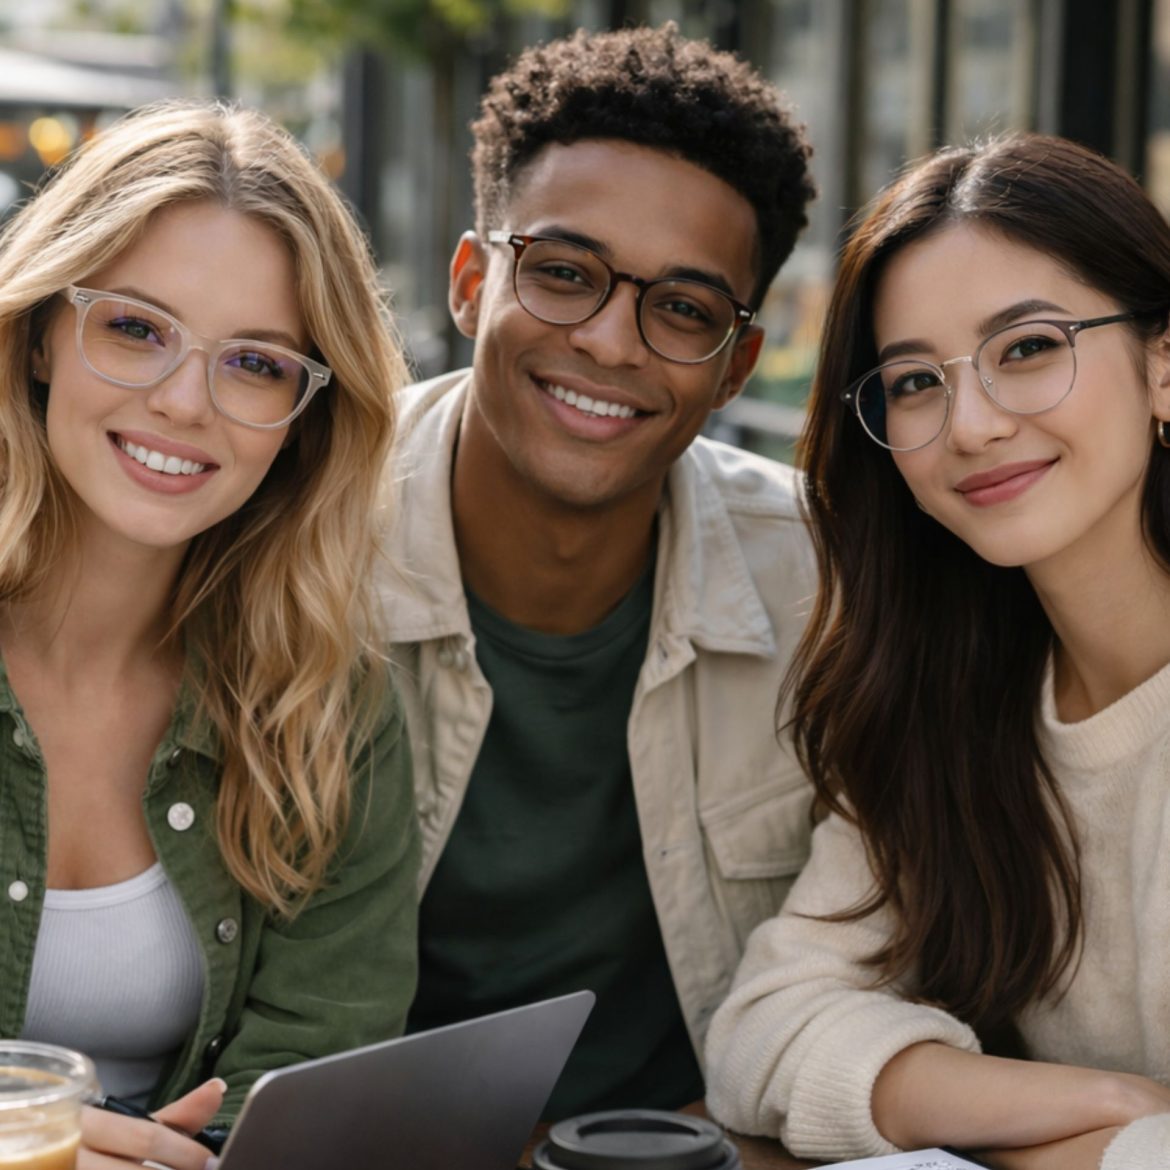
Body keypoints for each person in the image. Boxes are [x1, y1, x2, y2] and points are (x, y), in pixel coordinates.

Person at [704, 132, 1170, 1170]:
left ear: (1163, 364)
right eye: (914, 382)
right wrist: (1089, 1101)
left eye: (1029, 348)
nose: (970, 424)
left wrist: (1070, 1154)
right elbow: (762, 1029)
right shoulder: (946, 697)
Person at [377, 22, 818, 1120]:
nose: (615, 344)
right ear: (473, 282)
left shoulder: (829, 589)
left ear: (735, 367)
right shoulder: (289, 540)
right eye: (566, 273)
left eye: (682, 309)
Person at [0, 101, 419, 1170]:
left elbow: (318, 1069)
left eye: (256, 364)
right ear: (44, 333)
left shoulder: (323, 696)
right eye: (135, 327)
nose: (188, 402)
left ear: (303, 417)